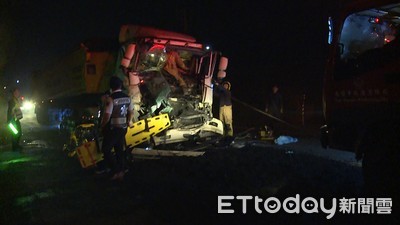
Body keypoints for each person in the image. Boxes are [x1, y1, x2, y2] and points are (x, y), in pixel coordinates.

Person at [100, 76, 134, 181]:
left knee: (106, 149)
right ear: (120, 85)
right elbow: (131, 111)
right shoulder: (127, 97)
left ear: (111, 86)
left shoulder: (111, 99)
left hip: (113, 128)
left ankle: (115, 171)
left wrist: (102, 126)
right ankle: (121, 171)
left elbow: (107, 115)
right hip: (123, 128)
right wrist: (129, 121)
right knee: (119, 149)